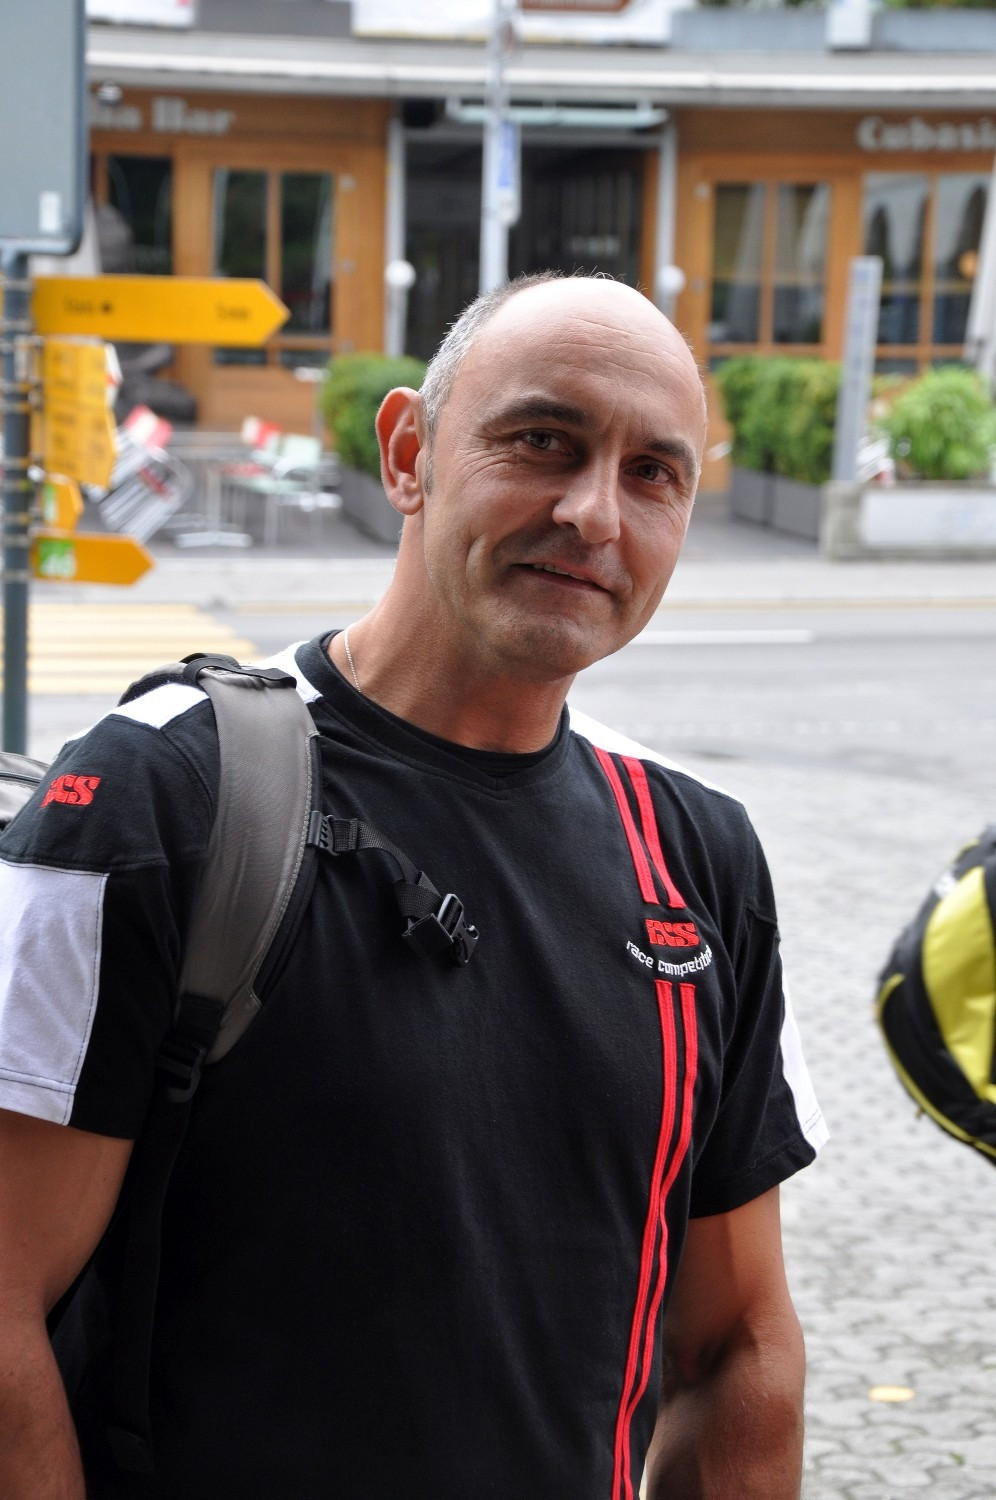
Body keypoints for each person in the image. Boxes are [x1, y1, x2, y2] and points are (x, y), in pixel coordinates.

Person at [0, 272, 827, 1499]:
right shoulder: (163, 792)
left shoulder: (699, 854)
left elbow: (737, 1342)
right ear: (408, 455)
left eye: (654, 473)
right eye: (541, 441)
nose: (594, 514)